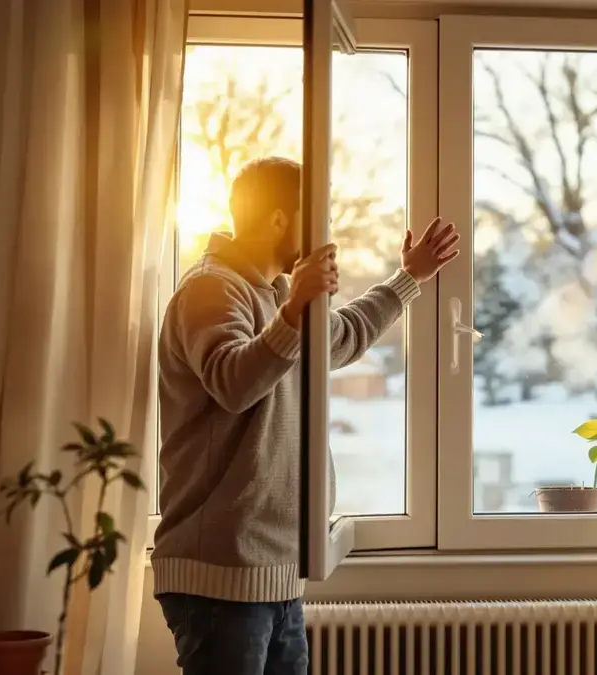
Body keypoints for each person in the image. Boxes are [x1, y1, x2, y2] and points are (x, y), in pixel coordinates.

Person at [151, 156, 459, 675]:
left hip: (275, 573)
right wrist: (296, 309)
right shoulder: (211, 289)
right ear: (277, 219)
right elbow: (233, 382)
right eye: (319, 216)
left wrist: (409, 278)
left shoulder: (273, 296)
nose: (328, 230)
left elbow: (343, 337)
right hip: (220, 576)